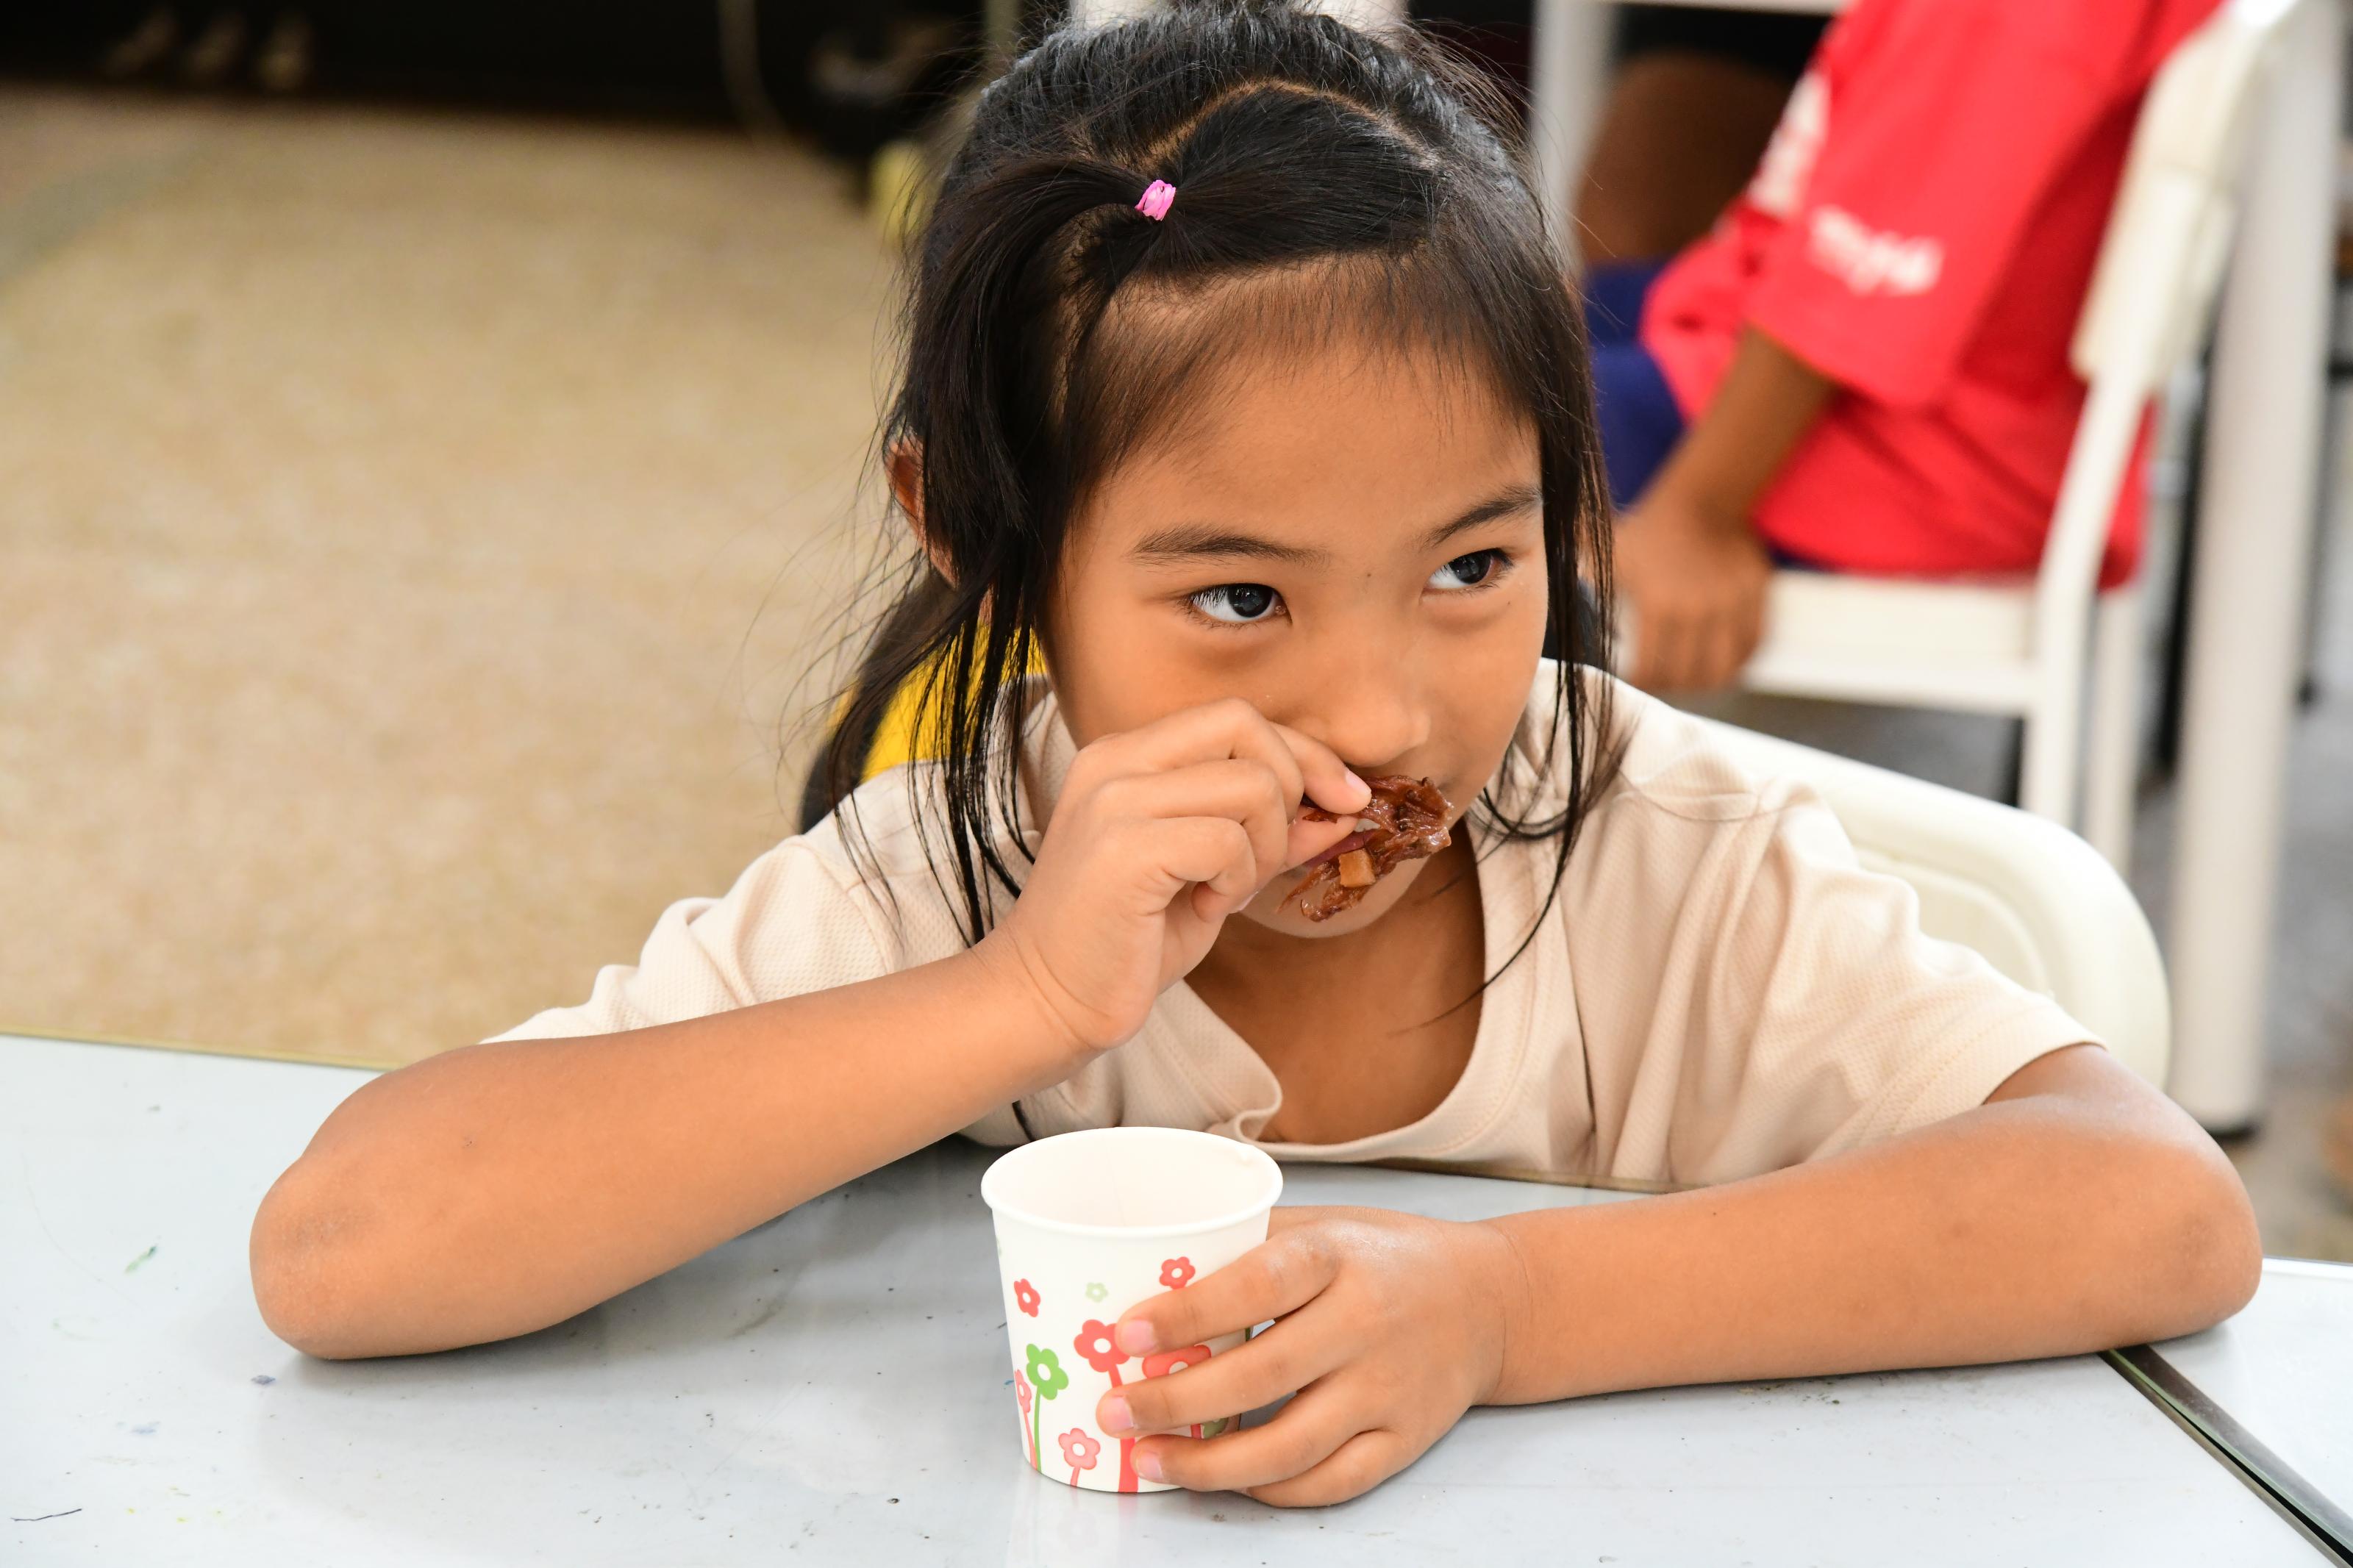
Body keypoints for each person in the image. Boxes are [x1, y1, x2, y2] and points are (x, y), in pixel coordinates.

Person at [248, 0, 2258, 1509]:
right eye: (1240, 598)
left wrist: (1505, 1312)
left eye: (1475, 562)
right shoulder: (967, 870)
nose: (1381, 713)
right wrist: (1016, 994)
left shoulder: (1669, 856)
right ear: (978, 540)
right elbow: (346, 1247)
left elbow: (2157, 1208)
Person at [1582, 0, 2221, 692]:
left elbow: (1853, 281)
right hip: (1890, 378)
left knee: (1463, 433)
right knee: (1495, 327)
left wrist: (1695, 514)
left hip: (1898, 452)